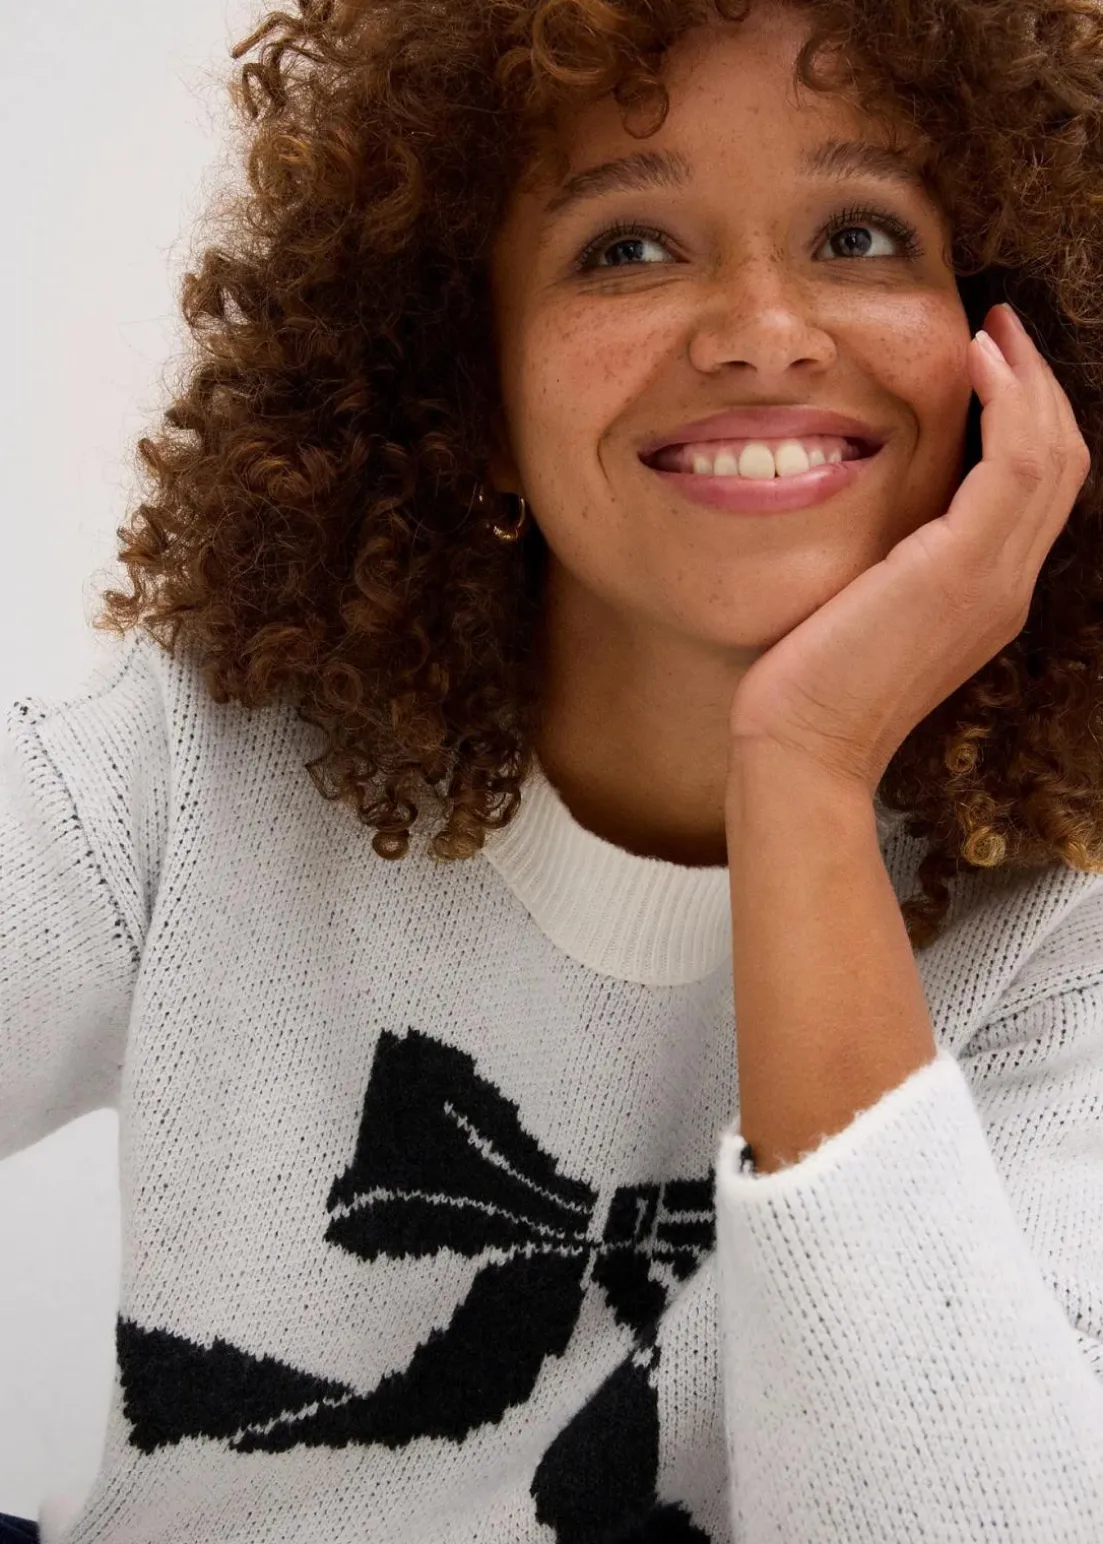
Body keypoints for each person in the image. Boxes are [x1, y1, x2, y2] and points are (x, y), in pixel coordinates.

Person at [2, 0, 1103, 1537]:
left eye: (858, 235)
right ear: (475, 395)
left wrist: (801, 771)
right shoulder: (189, 771)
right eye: (626, 248)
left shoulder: (1060, 928)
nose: (762, 328)